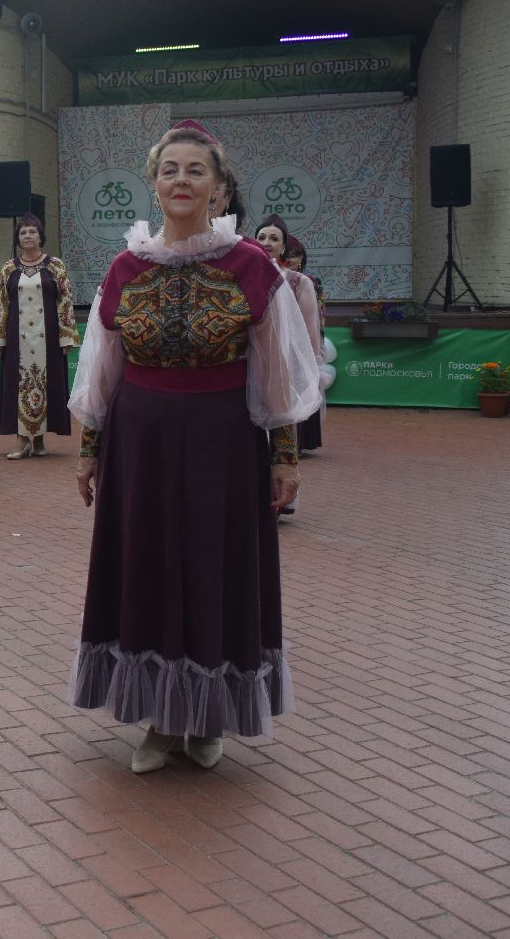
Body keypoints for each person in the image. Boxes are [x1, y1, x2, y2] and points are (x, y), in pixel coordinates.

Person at [68, 124, 321, 774]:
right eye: (170, 170)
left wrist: (285, 455)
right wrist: (91, 448)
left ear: (217, 185)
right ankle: (157, 722)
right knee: (147, 569)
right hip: (141, 447)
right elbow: (102, 370)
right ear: (154, 183)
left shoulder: (251, 267)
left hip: (223, 443)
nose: (182, 181)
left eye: (195, 171)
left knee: (214, 570)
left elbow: (279, 378)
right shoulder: (125, 269)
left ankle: (207, 718)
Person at [0, 212, 77, 459]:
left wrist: (67, 336)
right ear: (18, 239)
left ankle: (39, 440)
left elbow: (65, 300)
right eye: (23, 232)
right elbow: (1, 304)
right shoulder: (9, 268)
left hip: (48, 336)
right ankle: (21, 442)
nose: (27, 236)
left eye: (32, 231)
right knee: (18, 384)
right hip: (17, 337)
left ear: (40, 237)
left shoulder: (55, 266)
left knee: (47, 383)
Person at [254, 218, 326, 464]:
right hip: (256, 358)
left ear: (284, 246)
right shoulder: (245, 277)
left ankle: (284, 455)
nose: (267, 242)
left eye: (274, 238)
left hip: (288, 357)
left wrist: (311, 364)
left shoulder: (298, 281)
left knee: (283, 408)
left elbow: (309, 329)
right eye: (262, 237)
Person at [283, 235, 327, 455]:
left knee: (301, 386)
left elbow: (317, 314)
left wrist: (313, 346)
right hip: (280, 343)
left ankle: (301, 442)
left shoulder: (307, 281)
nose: (290, 259)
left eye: (295, 254)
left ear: (302, 257)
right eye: (287, 254)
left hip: (301, 342)